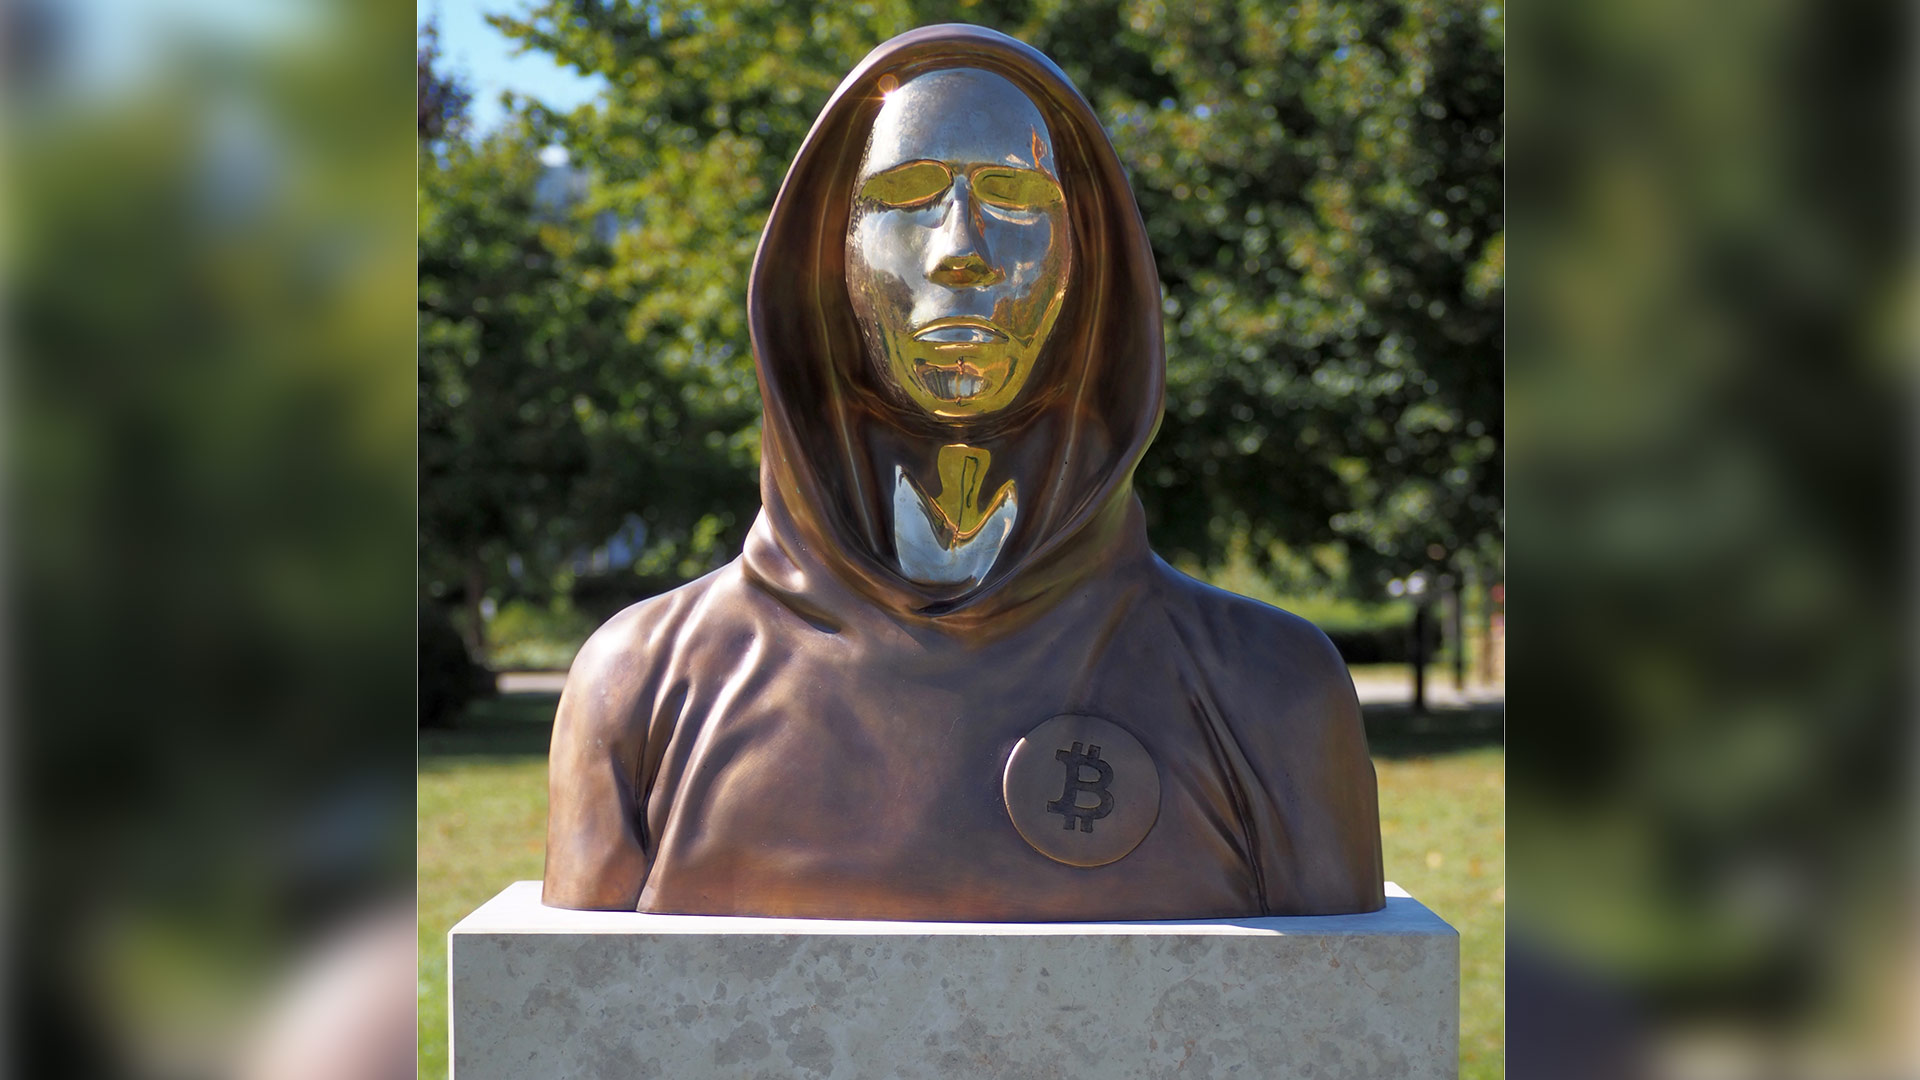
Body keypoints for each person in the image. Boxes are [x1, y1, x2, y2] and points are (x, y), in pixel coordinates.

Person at [543, 24, 1383, 921]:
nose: (961, 249)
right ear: (827, 262)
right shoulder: (645, 687)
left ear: (1090, 269)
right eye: (905, 198)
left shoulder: (1268, 691)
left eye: (1017, 198)